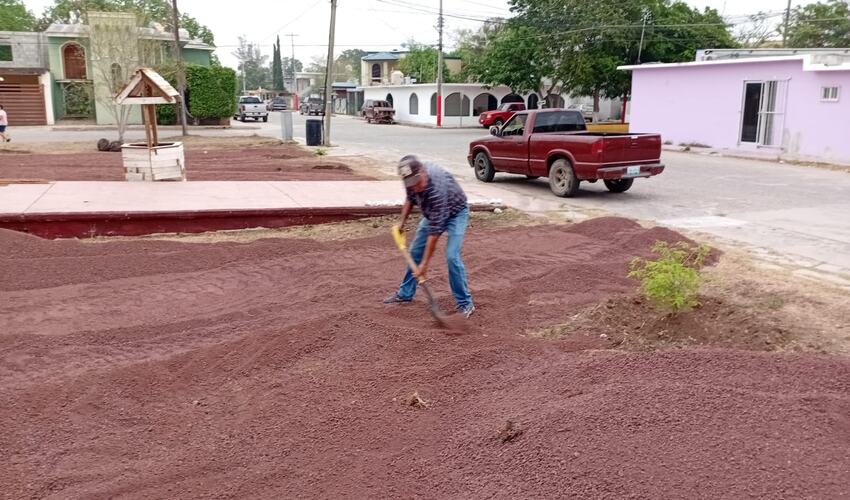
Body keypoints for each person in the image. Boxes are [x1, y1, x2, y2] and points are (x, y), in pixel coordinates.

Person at [384, 155, 475, 318]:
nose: (415, 187)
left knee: (452, 256)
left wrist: (424, 266)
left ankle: (465, 303)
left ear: (423, 172)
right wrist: (401, 224)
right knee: (414, 251)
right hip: (431, 212)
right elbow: (410, 199)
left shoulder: (437, 191)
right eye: (411, 184)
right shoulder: (411, 179)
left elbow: (434, 236)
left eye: (417, 182)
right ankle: (405, 293)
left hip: (456, 212)